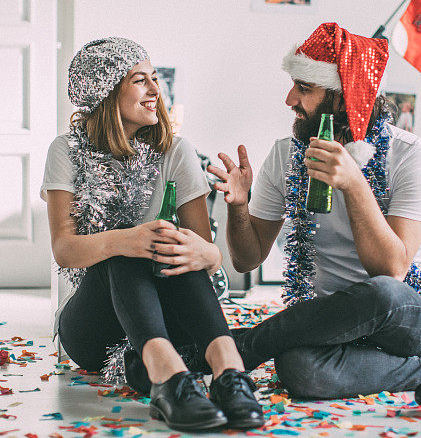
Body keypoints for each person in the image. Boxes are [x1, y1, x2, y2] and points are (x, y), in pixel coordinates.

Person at [208, 23, 421, 399]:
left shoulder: (412, 155)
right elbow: (245, 260)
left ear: (343, 97)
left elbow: (391, 270)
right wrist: (239, 207)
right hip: (328, 320)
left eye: (304, 88)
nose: (289, 99)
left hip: (406, 314)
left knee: (382, 293)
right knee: (299, 371)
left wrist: (354, 184)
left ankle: (241, 346)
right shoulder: (285, 155)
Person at [41, 37, 264, 431]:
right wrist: (126, 239)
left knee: (173, 245)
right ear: (105, 92)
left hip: (168, 319)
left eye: (154, 78)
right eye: (139, 80)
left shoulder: (175, 151)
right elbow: (64, 249)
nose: (155, 89)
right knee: (131, 247)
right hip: (93, 327)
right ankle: (169, 380)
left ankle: (229, 372)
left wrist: (200, 250)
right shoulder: (66, 150)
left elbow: (207, 254)